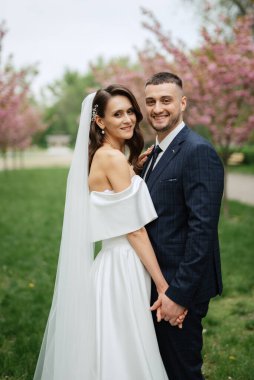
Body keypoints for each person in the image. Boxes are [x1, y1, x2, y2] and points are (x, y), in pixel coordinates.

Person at [33, 84, 187, 380]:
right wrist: (165, 287)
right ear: (100, 122)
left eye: (130, 111)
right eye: (117, 114)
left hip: (112, 261)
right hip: (125, 265)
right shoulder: (112, 158)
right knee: (125, 348)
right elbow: (135, 231)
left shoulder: (110, 156)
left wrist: (134, 167)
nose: (128, 119)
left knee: (114, 344)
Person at [140, 72, 224, 380]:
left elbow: (202, 230)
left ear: (183, 103)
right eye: (150, 101)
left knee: (182, 371)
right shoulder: (153, 154)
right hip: (156, 283)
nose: (157, 108)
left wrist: (178, 296)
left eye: (166, 100)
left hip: (180, 287)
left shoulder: (197, 151)